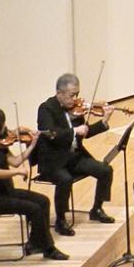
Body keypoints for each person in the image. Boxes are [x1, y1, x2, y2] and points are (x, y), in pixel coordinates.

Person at [0, 108, 65, 259]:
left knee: (43, 201)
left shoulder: (0, 145)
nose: (6, 127)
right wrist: (17, 172)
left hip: (7, 192)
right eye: (3, 124)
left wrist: (32, 145)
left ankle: (35, 243)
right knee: (34, 209)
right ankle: (48, 248)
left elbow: (15, 162)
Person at [36, 74, 116, 231]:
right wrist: (73, 130)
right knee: (65, 180)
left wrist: (104, 121)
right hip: (54, 161)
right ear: (59, 93)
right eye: (72, 95)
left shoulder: (75, 110)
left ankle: (97, 209)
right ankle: (60, 220)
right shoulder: (46, 109)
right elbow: (51, 133)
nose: (76, 99)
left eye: (77, 94)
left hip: (74, 157)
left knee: (105, 170)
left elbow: (85, 132)